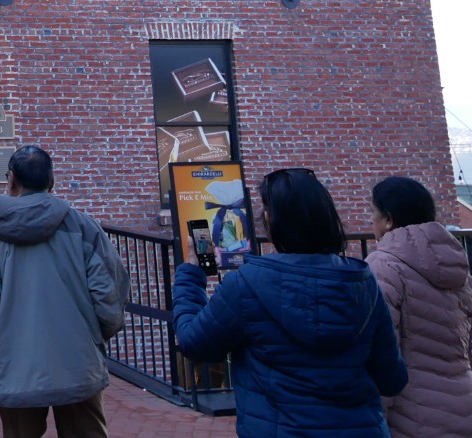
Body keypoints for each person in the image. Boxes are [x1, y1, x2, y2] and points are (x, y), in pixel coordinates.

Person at [173, 168, 407, 437]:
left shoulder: (246, 284)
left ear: (271, 221)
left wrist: (192, 273)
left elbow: (194, 342)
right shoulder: (363, 283)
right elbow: (392, 380)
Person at [0, 144, 129, 438]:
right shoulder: (84, 227)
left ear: (11, 180)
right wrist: (93, 338)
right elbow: (110, 296)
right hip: (78, 362)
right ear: (52, 180)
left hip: (13, 367)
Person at [367, 176, 472, 437]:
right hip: (466, 406)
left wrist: (375, 422)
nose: (371, 221)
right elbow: (468, 349)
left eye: (373, 212)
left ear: (388, 219)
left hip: (412, 415)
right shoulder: (457, 266)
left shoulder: (382, 266)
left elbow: (383, 357)